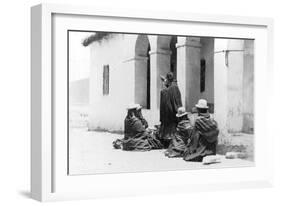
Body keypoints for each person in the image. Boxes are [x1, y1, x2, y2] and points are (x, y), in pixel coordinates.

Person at [159, 72, 182, 148]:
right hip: (172, 110)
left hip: (170, 111)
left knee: (170, 129)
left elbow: (165, 92)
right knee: (171, 128)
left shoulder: (171, 88)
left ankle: (169, 142)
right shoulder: (174, 87)